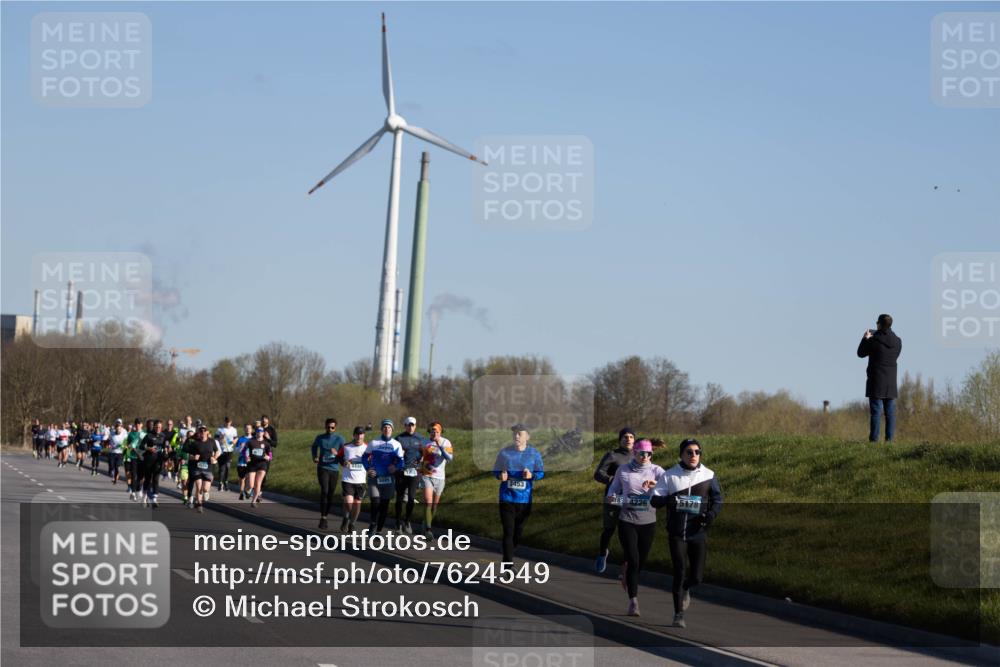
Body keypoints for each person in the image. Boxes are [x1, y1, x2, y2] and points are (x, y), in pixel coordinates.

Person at [651, 438, 724, 629]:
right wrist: (669, 500)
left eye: (697, 452)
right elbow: (654, 500)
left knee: (697, 577)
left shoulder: (708, 475)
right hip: (677, 533)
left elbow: (718, 500)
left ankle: (686, 588)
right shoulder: (670, 475)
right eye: (689, 452)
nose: (694, 455)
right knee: (679, 571)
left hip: (698, 532)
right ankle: (678, 614)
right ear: (681, 454)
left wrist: (710, 515)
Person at [606, 439, 666, 616]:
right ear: (634, 453)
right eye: (641, 453)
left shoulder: (657, 471)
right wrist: (623, 500)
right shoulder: (623, 470)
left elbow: (670, 490)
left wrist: (655, 486)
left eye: (649, 454)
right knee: (633, 559)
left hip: (648, 522)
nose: (645, 456)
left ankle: (628, 574)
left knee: (641, 562)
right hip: (627, 520)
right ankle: (633, 601)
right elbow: (610, 495)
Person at [493, 424, 545, 563]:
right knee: (508, 531)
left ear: (527, 437)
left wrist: (531, 475)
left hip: (524, 500)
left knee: (518, 533)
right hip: (507, 498)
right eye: (514, 433)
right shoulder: (505, 453)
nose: (516, 436)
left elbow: (541, 472)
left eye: (519, 434)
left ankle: (509, 550)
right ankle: (508, 565)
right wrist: (500, 475)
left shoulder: (534, 454)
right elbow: (496, 470)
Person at [593, 427, 636, 573]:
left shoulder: (638, 455)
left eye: (631, 437)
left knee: (627, 531)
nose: (628, 439)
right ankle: (602, 553)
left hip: (631, 499)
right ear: (620, 440)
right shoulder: (612, 455)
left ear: (634, 440)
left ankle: (626, 564)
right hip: (614, 497)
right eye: (625, 437)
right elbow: (598, 474)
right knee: (609, 529)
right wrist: (612, 480)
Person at [857, 313, 903, 443]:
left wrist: (865, 338)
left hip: (876, 380)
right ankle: (889, 440)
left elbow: (860, 353)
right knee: (890, 413)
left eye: (877, 322)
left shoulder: (874, 340)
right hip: (891, 382)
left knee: (876, 412)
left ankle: (874, 440)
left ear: (880, 325)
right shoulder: (898, 341)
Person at [366, 419, 404, 535]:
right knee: (375, 502)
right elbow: (364, 457)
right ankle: (373, 523)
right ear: (381, 429)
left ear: (392, 429)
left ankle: (379, 531)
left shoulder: (396, 444)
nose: (387, 429)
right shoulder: (374, 443)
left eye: (389, 427)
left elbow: (401, 461)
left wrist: (395, 467)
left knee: (384, 505)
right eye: (385, 427)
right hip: (375, 477)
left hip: (388, 479)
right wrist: (368, 468)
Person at [418, 421, 453, 538]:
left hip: (440, 477)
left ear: (440, 432)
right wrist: (418, 461)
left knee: (434, 506)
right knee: (428, 501)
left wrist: (440, 446)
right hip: (426, 475)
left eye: (437, 431)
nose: (434, 433)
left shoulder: (446, 442)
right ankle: (428, 530)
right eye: (432, 431)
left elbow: (449, 458)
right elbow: (419, 455)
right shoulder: (424, 442)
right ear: (429, 431)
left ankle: (426, 522)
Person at [394, 416, 426, 533]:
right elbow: (393, 454)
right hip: (401, 472)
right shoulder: (399, 438)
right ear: (405, 426)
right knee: (399, 498)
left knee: (411, 499)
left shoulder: (421, 438)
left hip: (414, 471)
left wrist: (422, 458)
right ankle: (398, 523)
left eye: (412, 425)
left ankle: (407, 521)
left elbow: (425, 453)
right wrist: (399, 455)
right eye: (408, 425)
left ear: (415, 426)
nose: (411, 427)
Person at [312, 418, 344, 529]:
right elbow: (314, 447)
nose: (330, 429)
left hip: (334, 469)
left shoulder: (340, 439)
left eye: (332, 427)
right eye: (328, 427)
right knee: (324, 491)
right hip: (323, 468)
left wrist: (337, 453)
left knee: (330, 494)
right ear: (325, 427)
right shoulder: (320, 438)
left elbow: (344, 453)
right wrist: (315, 457)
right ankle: (323, 518)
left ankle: (325, 515)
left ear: (335, 428)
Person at [337, 426, 370, 533]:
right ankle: (346, 518)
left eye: (361, 434)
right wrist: (343, 462)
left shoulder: (368, 448)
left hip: (361, 480)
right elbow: (339, 457)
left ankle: (352, 523)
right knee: (348, 502)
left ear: (364, 435)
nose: (359, 436)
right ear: (354, 435)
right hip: (348, 479)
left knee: (357, 503)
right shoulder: (346, 447)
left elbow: (372, 460)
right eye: (357, 434)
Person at [186, 425, 218, 513]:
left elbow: (217, 451)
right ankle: (199, 504)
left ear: (207, 432)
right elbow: (189, 455)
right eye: (201, 431)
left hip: (208, 468)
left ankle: (206, 492)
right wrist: (193, 457)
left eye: (204, 431)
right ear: (199, 433)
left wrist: (214, 458)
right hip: (197, 468)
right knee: (198, 486)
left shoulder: (212, 441)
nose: (203, 432)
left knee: (205, 489)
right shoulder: (195, 442)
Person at [139, 419, 170, 508]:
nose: (158, 429)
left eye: (160, 427)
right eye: (156, 427)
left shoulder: (163, 436)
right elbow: (141, 446)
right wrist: (149, 448)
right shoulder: (149, 435)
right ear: (154, 427)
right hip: (149, 459)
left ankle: (154, 499)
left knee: (156, 478)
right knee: (148, 479)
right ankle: (144, 496)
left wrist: (166, 452)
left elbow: (166, 446)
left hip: (158, 460)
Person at [244, 427, 272, 506]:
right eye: (258, 431)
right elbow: (244, 451)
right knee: (251, 485)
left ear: (263, 433)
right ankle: (248, 490)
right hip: (252, 464)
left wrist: (268, 457)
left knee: (258, 484)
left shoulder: (266, 443)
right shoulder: (250, 442)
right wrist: (246, 457)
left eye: (261, 431)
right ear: (256, 432)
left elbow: (270, 454)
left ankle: (254, 501)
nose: (259, 433)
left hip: (262, 464)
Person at [215, 416, 238, 492]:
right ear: (224, 422)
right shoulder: (220, 429)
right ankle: (220, 483)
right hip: (221, 450)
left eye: (229, 422)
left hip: (229, 450)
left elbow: (236, 438)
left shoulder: (234, 430)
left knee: (227, 466)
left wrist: (234, 442)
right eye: (226, 422)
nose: (228, 423)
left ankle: (226, 482)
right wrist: (220, 438)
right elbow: (215, 439)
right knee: (222, 467)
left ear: (231, 422)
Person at [235, 424, 253, 500]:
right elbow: (235, 451)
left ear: (251, 430)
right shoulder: (241, 439)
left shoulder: (254, 439)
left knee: (249, 479)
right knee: (242, 479)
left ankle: (247, 491)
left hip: (251, 462)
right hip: (241, 462)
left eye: (249, 428)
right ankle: (241, 492)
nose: (248, 430)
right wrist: (241, 447)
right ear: (244, 429)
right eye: (246, 428)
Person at [107, 420, 126, 484]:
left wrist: (124, 446)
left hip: (120, 453)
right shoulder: (112, 433)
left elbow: (127, 442)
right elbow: (108, 441)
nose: (118, 430)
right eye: (117, 429)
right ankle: (113, 475)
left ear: (121, 428)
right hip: (112, 452)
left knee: (116, 466)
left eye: (119, 429)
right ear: (115, 428)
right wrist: (109, 445)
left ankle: (115, 479)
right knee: (112, 466)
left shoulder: (124, 433)